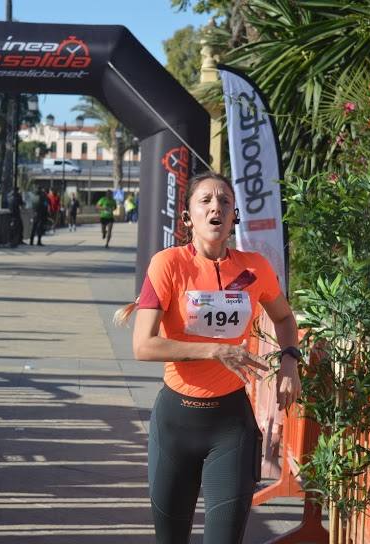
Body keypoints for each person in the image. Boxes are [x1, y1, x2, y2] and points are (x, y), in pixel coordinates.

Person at [114, 172, 301, 543]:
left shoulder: (253, 268)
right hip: (175, 423)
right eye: (205, 200)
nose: (216, 206)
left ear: (234, 217)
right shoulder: (168, 264)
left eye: (225, 202)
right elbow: (143, 345)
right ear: (187, 218)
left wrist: (290, 362)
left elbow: (284, 317)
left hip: (230, 424)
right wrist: (214, 350)